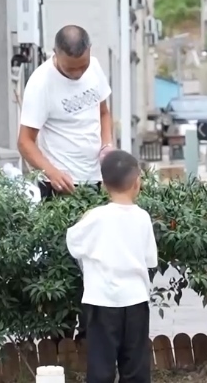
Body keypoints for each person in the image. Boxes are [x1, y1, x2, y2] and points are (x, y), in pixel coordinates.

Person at [65, 150, 157, 383]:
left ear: (104, 185)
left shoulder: (95, 217)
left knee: (101, 366)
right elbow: (150, 260)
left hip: (101, 301)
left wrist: (84, 218)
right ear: (137, 182)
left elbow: (73, 244)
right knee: (136, 367)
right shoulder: (143, 217)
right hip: (135, 301)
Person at [18, 25, 115, 198]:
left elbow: (103, 113)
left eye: (83, 66)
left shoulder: (94, 67)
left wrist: (107, 146)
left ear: (89, 50)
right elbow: (25, 142)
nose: (78, 73)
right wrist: (51, 172)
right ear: (55, 53)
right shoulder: (40, 83)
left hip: (95, 179)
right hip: (60, 185)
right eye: (70, 68)